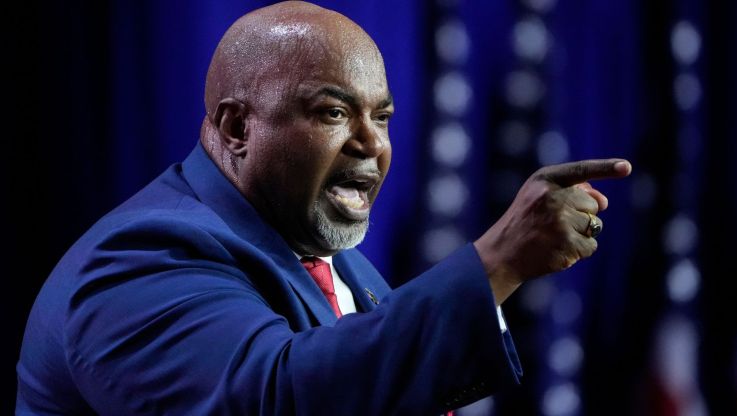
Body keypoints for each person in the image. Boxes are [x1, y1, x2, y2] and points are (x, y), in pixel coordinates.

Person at [16, 1, 632, 415]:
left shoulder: (333, 263)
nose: (372, 145)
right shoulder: (141, 259)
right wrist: (497, 262)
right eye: (334, 113)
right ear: (236, 128)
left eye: (382, 116)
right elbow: (276, 397)